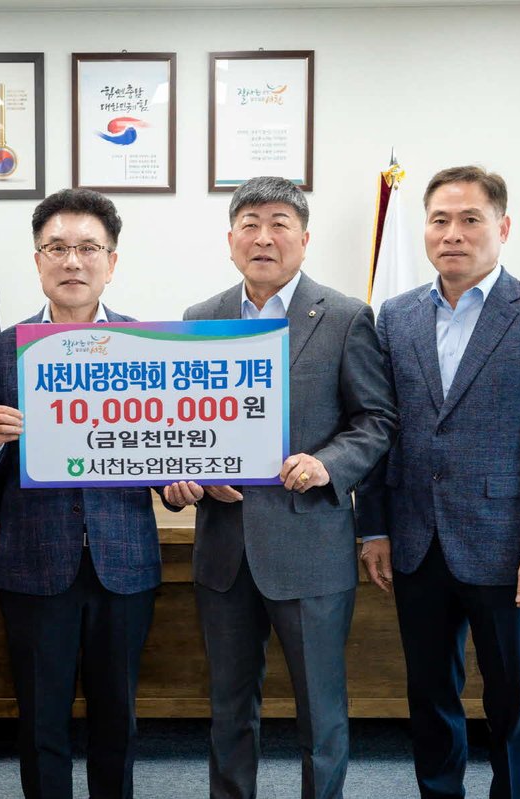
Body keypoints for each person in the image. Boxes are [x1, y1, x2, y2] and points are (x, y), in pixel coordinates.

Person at [164, 176, 397, 799]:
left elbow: (376, 421)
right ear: (231, 240)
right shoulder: (199, 319)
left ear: (304, 238)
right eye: (250, 224)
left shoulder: (345, 317)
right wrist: (190, 471)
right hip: (224, 548)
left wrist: (326, 464)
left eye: (279, 224)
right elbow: (182, 423)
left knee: (320, 709)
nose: (263, 237)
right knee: (228, 707)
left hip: (309, 545)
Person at [357, 166, 520, 799]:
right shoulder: (395, 315)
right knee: (430, 694)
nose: (452, 233)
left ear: (502, 228)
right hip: (416, 539)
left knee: (511, 698)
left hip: (505, 544)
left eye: (470, 219)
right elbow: (378, 428)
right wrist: (373, 527)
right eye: (439, 220)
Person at [0, 188, 180, 799]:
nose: (72, 261)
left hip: (124, 558)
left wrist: (178, 480)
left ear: (111, 262)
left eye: (88, 248)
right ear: (37, 260)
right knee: (41, 720)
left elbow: (164, 446)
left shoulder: (151, 345)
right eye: (57, 248)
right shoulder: (0, 351)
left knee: (117, 716)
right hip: (34, 559)